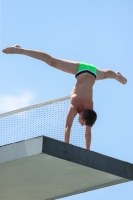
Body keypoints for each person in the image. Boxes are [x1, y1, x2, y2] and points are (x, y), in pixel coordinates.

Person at [2, 45, 127, 150]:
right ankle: (20, 50)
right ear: (82, 114)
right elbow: (68, 126)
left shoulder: (90, 110)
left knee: (105, 75)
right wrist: (66, 147)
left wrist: (88, 152)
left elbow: (88, 134)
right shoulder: (76, 104)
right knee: (52, 61)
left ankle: (116, 75)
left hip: (93, 73)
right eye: (83, 123)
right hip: (81, 69)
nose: (82, 125)